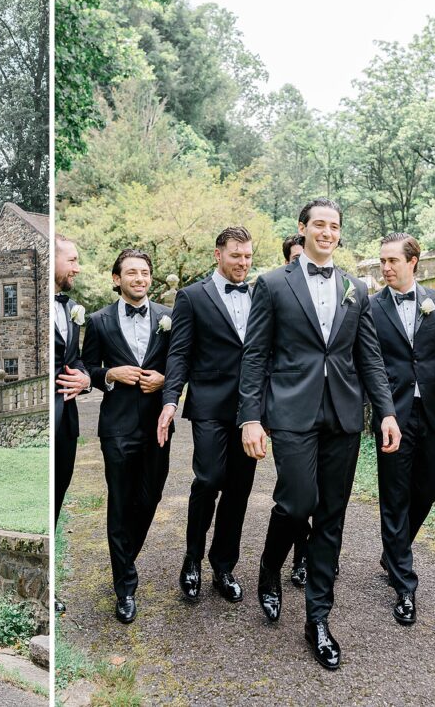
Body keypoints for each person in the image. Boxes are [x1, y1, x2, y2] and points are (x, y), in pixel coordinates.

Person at [239, 199, 400, 670]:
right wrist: (251, 417)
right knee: (297, 502)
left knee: (332, 515)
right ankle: (270, 567)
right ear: (302, 229)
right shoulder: (271, 284)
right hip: (290, 411)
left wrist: (386, 413)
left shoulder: (356, 287)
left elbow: (368, 355)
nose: (327, 233)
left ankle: (318, 619)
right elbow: (255, 356)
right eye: (319, 225)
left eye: (335, 226)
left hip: (345, 417)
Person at [369, 232, 435, 625]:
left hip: (433, 413)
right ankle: (405, 586)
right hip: (392, 414)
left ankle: (394, 550)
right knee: (394, 496)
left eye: (393, 261)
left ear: (413, 262)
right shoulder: (370, 308)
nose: (386, 268)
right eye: (382, 262)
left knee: (426, 490)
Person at [158, 227, 258, 605]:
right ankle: (192, 558)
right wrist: (170, 400)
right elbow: (179, 353)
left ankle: (223, 565)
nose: (243, 263)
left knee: (240, 488)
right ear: (218, 255)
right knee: (210, 478)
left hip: (251, 409)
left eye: (248, 256)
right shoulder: (192, 297)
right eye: (236, 256)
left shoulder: (260, 293)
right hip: (210, 405)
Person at [82, 249, 172, 624]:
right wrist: (109, 375)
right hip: (117, 426)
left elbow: (181, 362)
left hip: (157, 425)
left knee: (150, 496)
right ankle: (125, 586)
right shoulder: (98, 321)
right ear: (116, 279)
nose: (140, 279)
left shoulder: (170, 316)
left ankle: (124, 560)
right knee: (120, 502)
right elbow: (86, 367)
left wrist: (166, 381)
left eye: (145, 273)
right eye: (132, 273)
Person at [54, 233, 90, 613]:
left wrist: (85, 378)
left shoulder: (72, 308)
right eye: (73, 260)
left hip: (69, 419)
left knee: (58, 498)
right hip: (48, 416)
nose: (77, 268)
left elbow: (75, 359)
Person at [281, 234, 309, 588]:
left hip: (330, 409)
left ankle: (310, 557)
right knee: (300, 496)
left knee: (327, 499)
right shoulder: (277, 290)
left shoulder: (343, 289)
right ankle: (285, 559)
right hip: (289, 408)